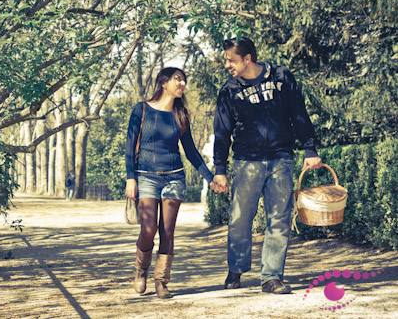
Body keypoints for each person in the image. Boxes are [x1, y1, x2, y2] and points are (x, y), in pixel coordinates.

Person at [211, 37, 322, 294]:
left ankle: (271, 276)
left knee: (279, 219)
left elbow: (298, 112)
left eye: (232, 60)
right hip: (245, 161)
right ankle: (236, 268)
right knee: (240, 218)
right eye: (226, 60)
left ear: (247, 58)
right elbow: (221, 132)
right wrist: (220, 169)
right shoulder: (229, 90)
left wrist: (309, 148)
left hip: (280, 158)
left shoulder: (282, 77)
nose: (228, 64)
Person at [125, 67, 220, 299]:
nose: (182, 84)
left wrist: (211, 177)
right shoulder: (142, 109)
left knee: (167, 230)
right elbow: (129, 147)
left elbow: (191, 152)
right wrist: (130, 178)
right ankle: (141, 270)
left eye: (184, 81)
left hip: (174, 176)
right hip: (145, 175)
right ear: (164, 82)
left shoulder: (181, 115)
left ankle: (161, 281)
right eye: (178, 79)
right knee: (148, 229)